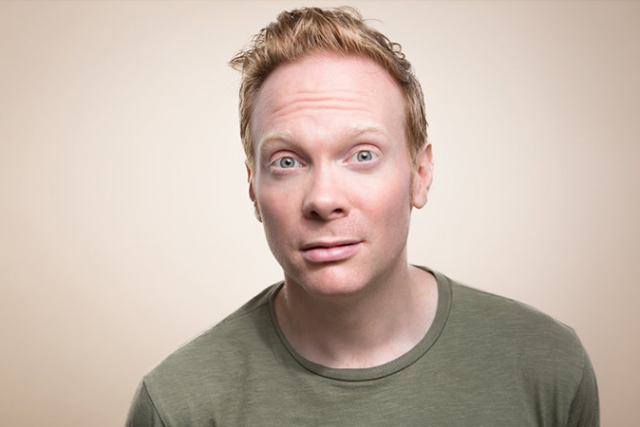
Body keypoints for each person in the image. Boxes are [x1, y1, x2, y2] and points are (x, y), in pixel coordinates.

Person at [126, 7, 599, 426]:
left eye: (363, 155)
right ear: (253, 188)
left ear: (420, 174)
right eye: (287, 161)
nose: (323, 199)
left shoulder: (550, 368)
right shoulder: (177, 405)